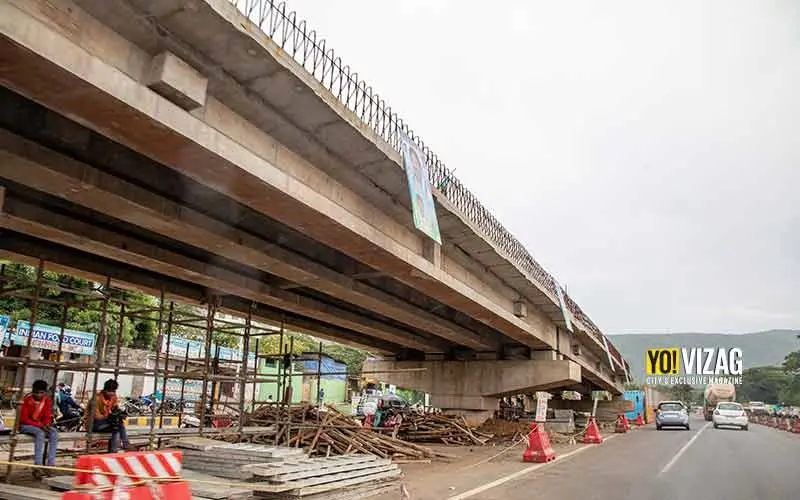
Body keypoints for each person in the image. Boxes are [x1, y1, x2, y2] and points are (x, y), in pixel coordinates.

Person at [19, 379, 58, 476]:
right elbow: (24, 419)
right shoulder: (26, 400)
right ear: (33, 391)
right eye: (36, 392)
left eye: (41, 393)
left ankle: (50, 465)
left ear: (44, 393)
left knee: (54, 433)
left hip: (41, 425)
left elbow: (47, 416)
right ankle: (38, 466)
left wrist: (47, 425)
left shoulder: (47, 401)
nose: (38, 395)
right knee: (40, 434)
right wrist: (41, 426)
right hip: (25, 426)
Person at [92, 379, 128, 453]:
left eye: (114, 391)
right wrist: (109, 418)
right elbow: (96, 416)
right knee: (116, 428)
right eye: (110, 391)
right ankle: (114, 450)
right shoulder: (96, 398)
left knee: (119, 423)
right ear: (105, 390)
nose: (112, 393)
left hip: (106, 422)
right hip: (94, 424)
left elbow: (114, 408)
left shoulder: (113, 397)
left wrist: (119, 412)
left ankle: (125, 444)